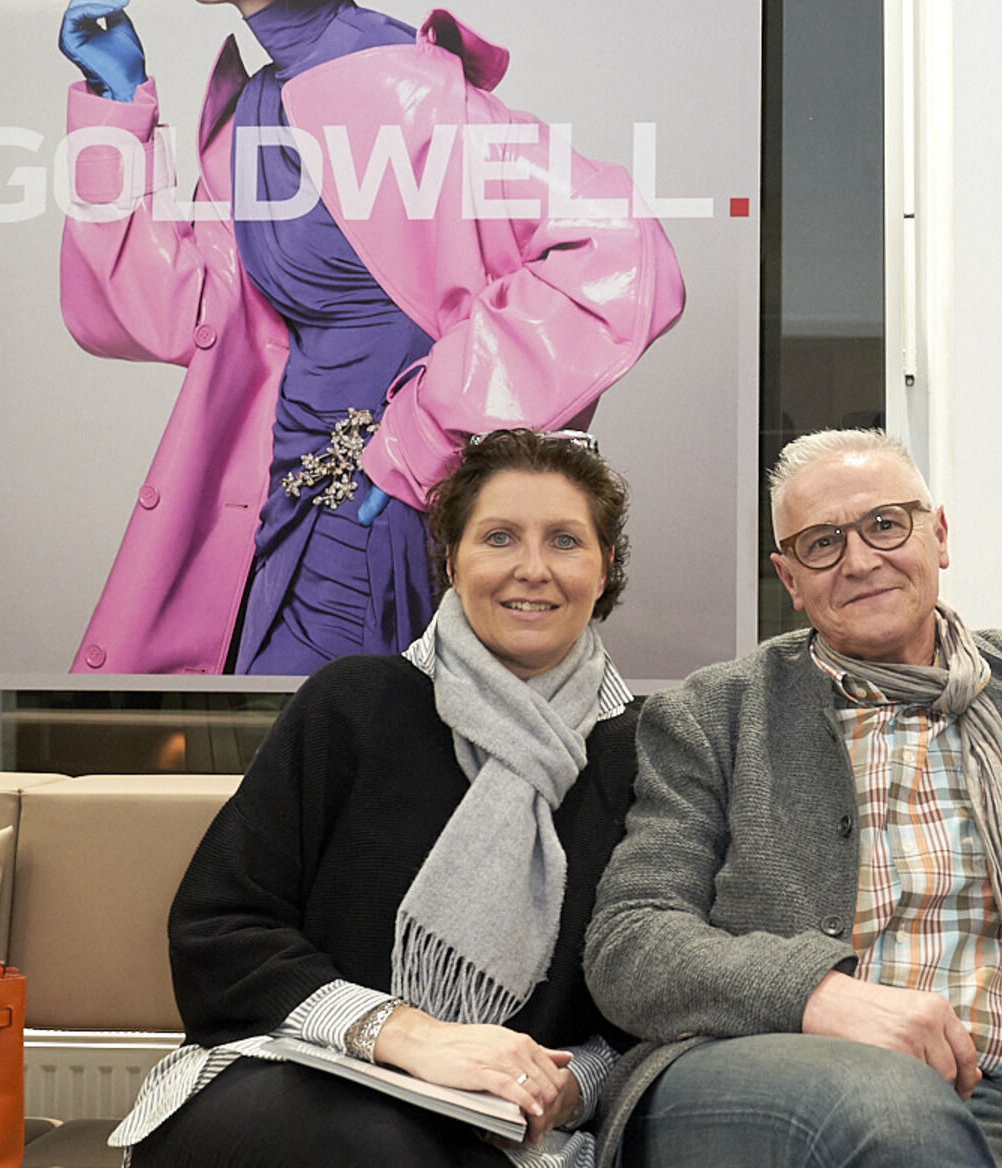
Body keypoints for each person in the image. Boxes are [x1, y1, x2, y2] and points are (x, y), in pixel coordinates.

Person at [54, 0, 684, 675]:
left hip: (367, 523)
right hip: (268, 506)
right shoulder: (262, 101)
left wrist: (426, 432)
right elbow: (178, 314)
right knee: (268, 735)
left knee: (327, 736)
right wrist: (116, 107)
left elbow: (621, 247)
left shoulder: (400, 90)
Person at [110, 429, 640, 1167]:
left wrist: (567, 1086)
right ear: (451, 559)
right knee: (379, 1146)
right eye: (498, 537)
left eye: (565, 541)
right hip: (290, 1079)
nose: (532, 568)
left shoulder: (648, 754)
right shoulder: (351, 704)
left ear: (605, 566)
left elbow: (651, 1004)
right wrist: (402, 1034)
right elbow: (220, 930)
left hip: (507, 1130)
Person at [584, 429, 1002, 1168]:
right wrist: (818, 994)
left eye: (886, 524)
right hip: (755, 1071)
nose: (860, 561)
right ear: (789, 578)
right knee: (890, 1109)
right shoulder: (717, 714)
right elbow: (630, 941)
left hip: (991, 1098)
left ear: (939, 535)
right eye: (822, 543)